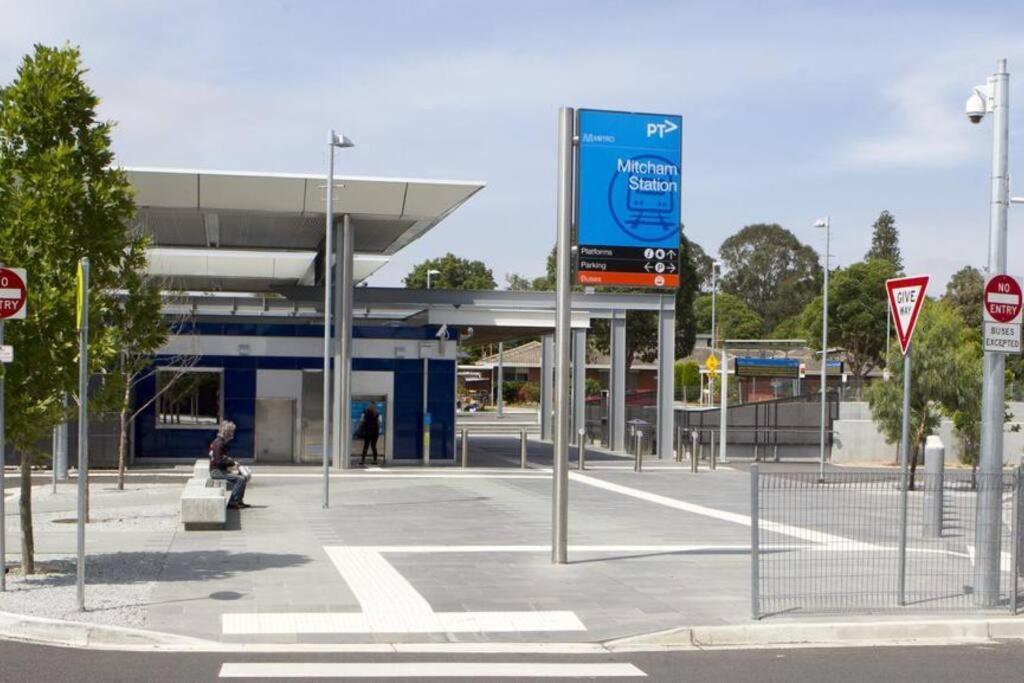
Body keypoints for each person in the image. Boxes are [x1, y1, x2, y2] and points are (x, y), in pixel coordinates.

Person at [208, 420, 249, 509]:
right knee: (240, 479)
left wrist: (232, 463)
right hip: (216, 472)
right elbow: (219, 461)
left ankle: (238, 501)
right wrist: (232, 463)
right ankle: (233, 502)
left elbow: (221, 458)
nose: (233, 435)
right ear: (227, 433)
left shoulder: (218, 442)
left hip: (219, 470)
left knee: (242, 477)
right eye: (232, 432)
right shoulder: (219, 444)